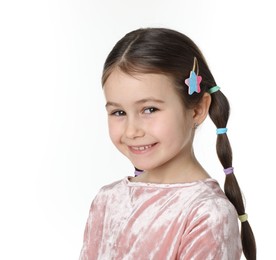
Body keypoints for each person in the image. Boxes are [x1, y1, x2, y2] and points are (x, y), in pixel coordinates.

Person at [79, 28, 256, 260]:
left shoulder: (207, 214)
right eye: (118, 112)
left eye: (149, 109)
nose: (132, 130)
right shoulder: (107, 200)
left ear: (197, 109)